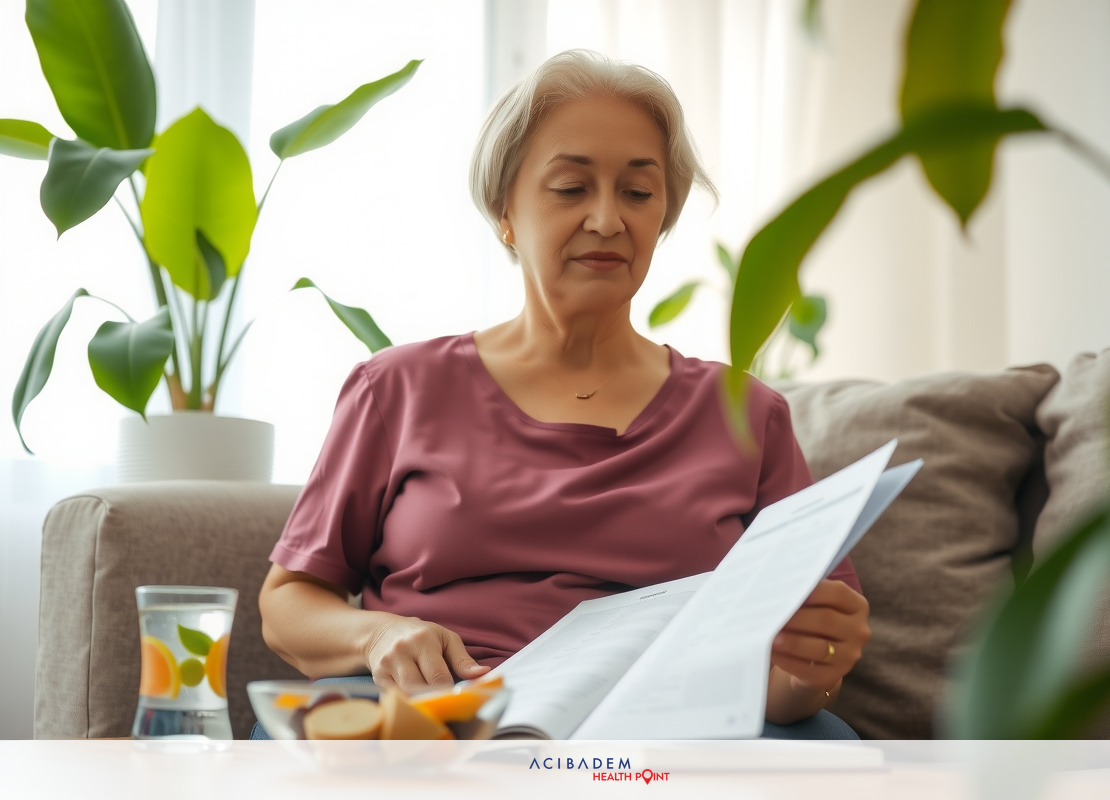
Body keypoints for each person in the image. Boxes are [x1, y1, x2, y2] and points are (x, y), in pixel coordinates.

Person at [258, 49, 870, 739]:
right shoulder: (396, 389)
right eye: (571, 188)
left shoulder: (748, 414)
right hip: (450, 718)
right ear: (505, 210)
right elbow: (289, 603)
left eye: (638, 193)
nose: (608, 220)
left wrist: (803, 672)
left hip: (668, 737)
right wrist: (376, 637)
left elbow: (791, 684)